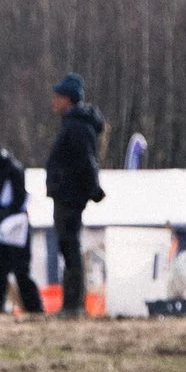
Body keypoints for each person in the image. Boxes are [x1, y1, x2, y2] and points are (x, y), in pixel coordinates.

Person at [45, 73, 105, 316]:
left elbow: (86, 162)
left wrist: (93, 189)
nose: (54, 102)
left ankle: (73, 304)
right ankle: (71, 303)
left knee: (70, 247)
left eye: (57, 97)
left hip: (70, 196)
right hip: (67, 194)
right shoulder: (74, 124)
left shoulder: (77, 127)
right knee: (67, 246)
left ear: (68, 100)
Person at [0, 137, 42, 315]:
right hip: (1, 226)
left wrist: (3, 216)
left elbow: (19, 198)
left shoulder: (13, 169)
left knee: (21, 270)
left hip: (17, 225)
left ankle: (34, 307)